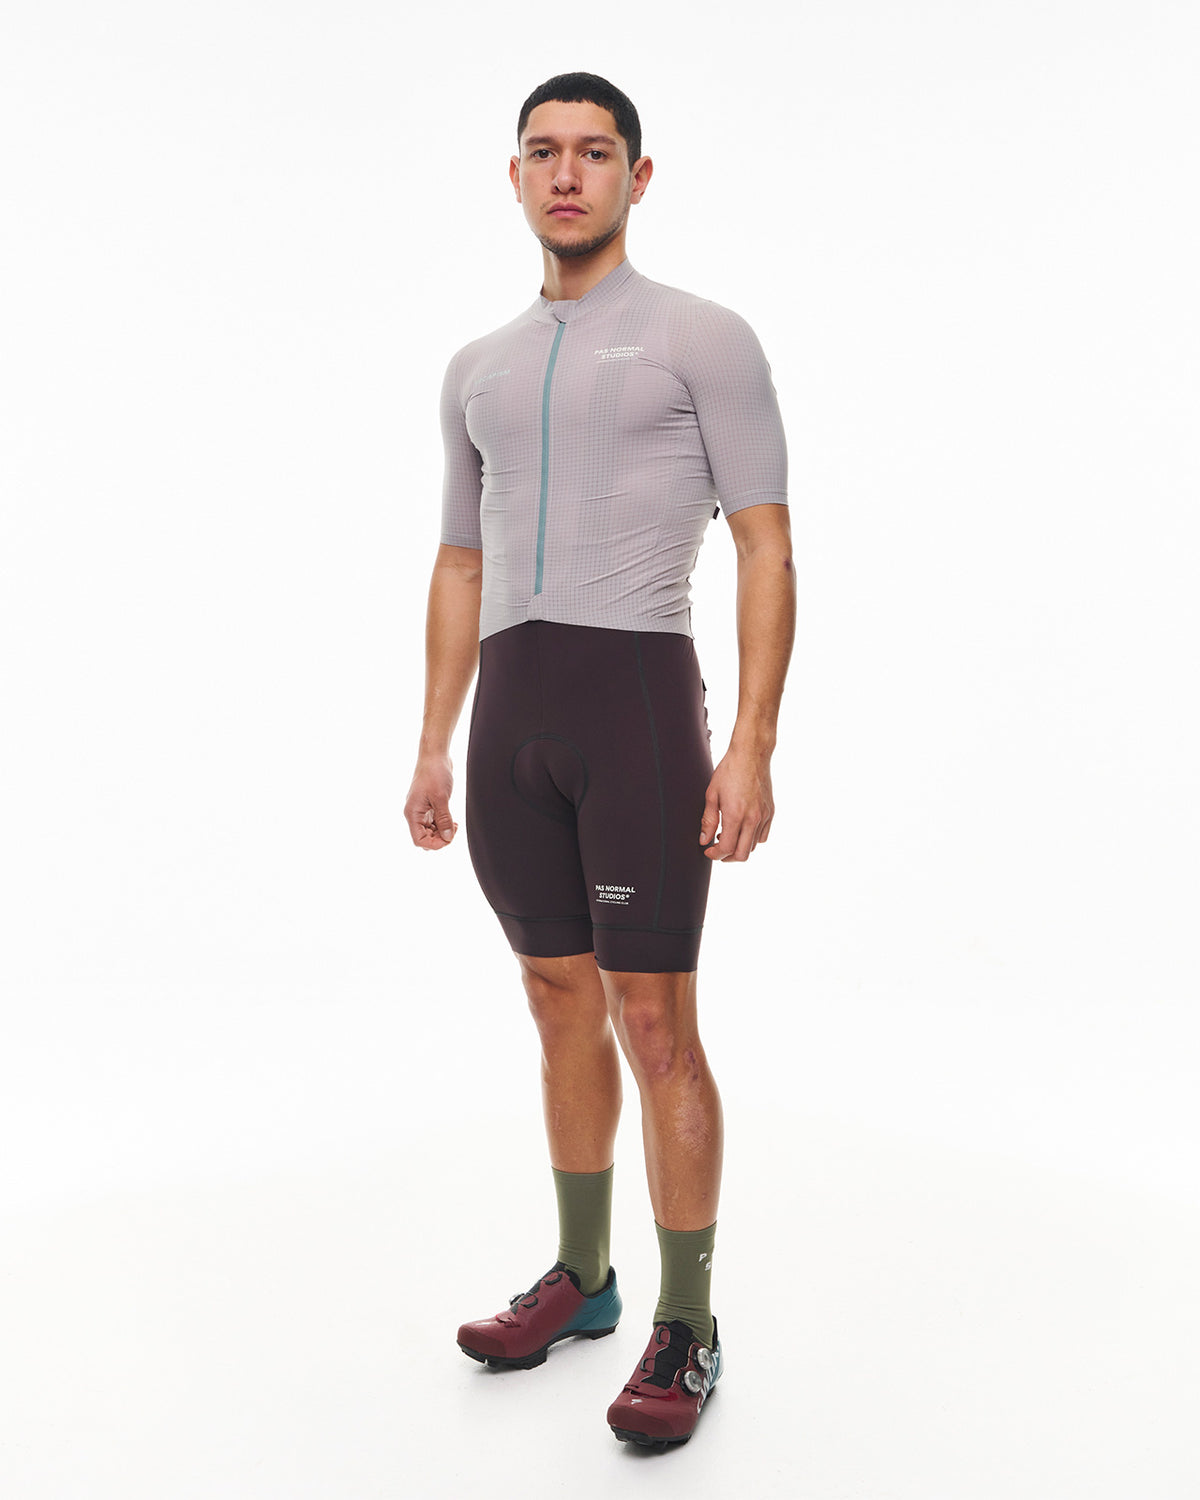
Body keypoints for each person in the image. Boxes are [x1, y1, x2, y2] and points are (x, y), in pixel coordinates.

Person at [404, 71, 794, 1449]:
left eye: (594, 151)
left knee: (655, 1022)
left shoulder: (702, 338)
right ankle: (584, 1280)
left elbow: (764, 543)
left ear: (638, 175)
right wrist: (434, 742)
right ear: (515, 176)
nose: (567, 173)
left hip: (635, 706)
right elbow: (459, 562)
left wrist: (750, 744)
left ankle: (687, 1322)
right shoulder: (476, 367)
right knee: (557, 999)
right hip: (512, 720)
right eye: (543, 151)